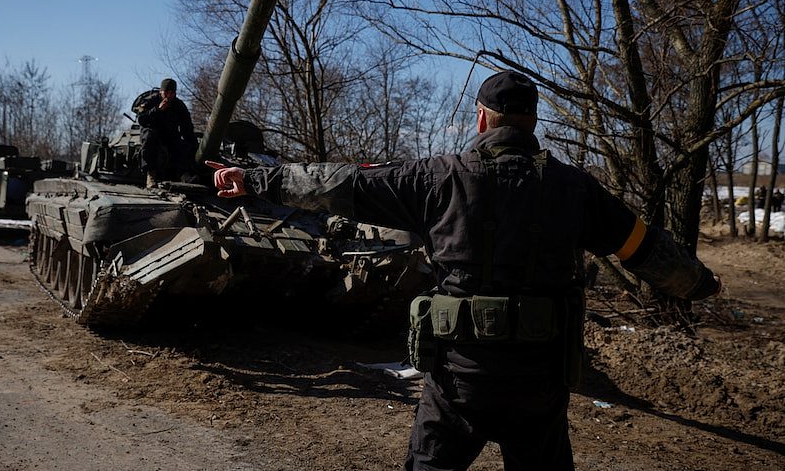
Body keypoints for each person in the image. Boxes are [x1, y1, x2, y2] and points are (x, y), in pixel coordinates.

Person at [207, 70, 721, 471]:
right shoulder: (576, 189)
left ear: (481, 119)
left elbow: (339, 183)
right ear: (532, 122)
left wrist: (253, 179)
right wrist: (699, 286)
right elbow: (645, 248)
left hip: (458, 381)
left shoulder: (435, 179)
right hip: (539, 382)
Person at [136, 78, 198, 187]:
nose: (169, 95)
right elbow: (142, 120)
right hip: (152, 134)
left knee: (182, 146)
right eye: (166, 92)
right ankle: (151, 174)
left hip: (170, 136)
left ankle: (184, 174)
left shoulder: (179, 106)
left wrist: (194, 147)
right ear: (161, 91)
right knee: (149, 138)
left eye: (172, 93)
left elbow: (187, 128)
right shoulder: (150, 101)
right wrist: (158, 110)